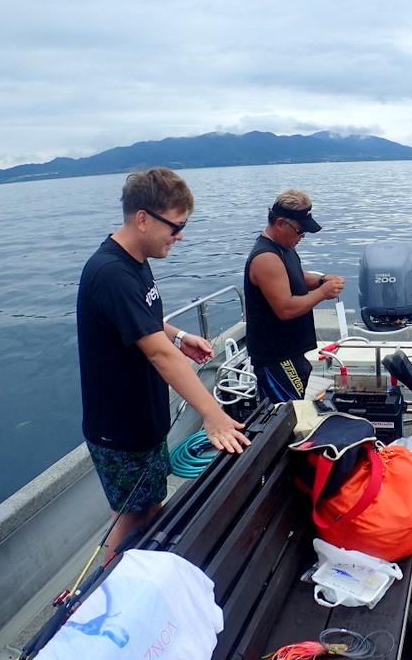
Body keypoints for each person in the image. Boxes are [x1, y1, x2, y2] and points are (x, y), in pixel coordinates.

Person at [77, 167, 251, 562]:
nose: (180, 236)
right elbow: (157, 354)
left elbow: (144, 321)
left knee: (151, 507)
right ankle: (101, 592)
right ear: (143, 219)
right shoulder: (111, 272)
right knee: (130, 517)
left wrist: (179, 336)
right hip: (120, 431)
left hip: (145, 419)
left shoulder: (135, 259)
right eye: (175, 227)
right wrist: (213, 416)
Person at [244, 189, 345, 404]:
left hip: (292, 353)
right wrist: (322, 293)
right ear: (280, 223)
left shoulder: (284, 246)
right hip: (277, 358)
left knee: (296, 408)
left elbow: (295, 277)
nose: (302, 237)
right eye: (299, 231)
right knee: (283, 415)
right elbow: (286, 309)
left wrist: (321, 280)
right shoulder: (266, 258)